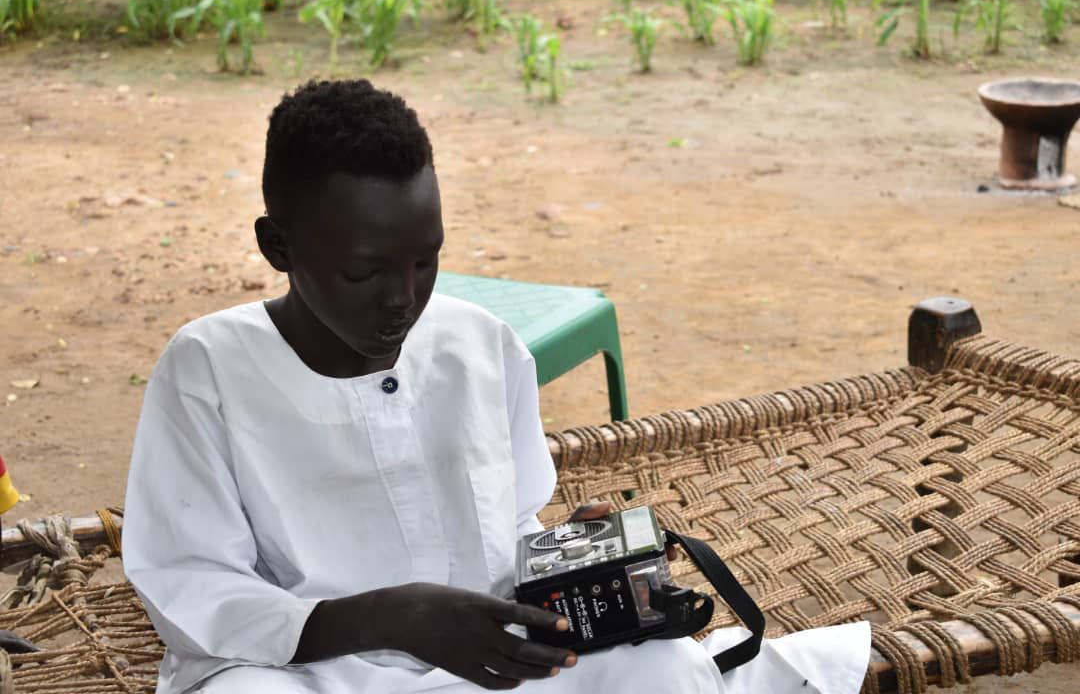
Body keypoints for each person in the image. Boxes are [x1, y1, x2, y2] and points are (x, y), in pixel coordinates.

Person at [122, 79, 870, 694]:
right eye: (364, 271)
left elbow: (508, 529)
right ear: (277, 245)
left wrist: (560, 556)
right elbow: (192, 588)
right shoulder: (208, 370)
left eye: (425, 261)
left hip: (493, 660)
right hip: (313, 673)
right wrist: (392, 617)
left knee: (662, 667)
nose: (401, 299)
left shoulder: (479, 345)